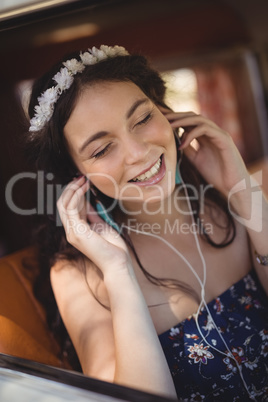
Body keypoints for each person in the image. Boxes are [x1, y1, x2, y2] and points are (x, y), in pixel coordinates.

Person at [25, 45, 268, 401]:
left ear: (166, 113)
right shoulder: (78, 273)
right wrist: (118, 273)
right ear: (76, 174)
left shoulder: (237, 203)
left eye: (141, 119)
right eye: (101, 149)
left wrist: (242, 193)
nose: (138, 152)